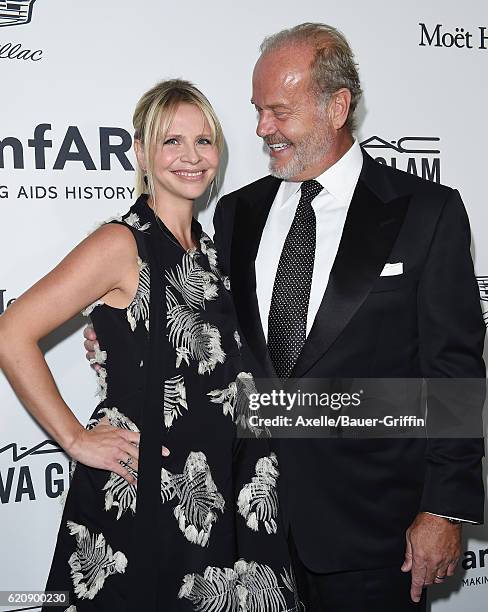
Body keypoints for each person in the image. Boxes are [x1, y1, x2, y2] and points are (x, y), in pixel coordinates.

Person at [84, 24, 486, 611]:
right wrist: (118, 352)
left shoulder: (427, 212)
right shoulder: (236, 213)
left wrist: (444, 508)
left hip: (375, 534)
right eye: (257, 110)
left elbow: (454, 371)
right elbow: (204, 340)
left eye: (278, 111)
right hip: (243, 527)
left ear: (337, 106)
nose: (261, 129)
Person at [0, 79, 300, 612]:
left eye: (204, 141)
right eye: (172, 141)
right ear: (140, 151)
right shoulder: (122, 243)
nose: (191, 157)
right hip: (148, 496)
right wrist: (73, 437)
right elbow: (11, 331)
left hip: (223, 493)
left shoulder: (212, 252)